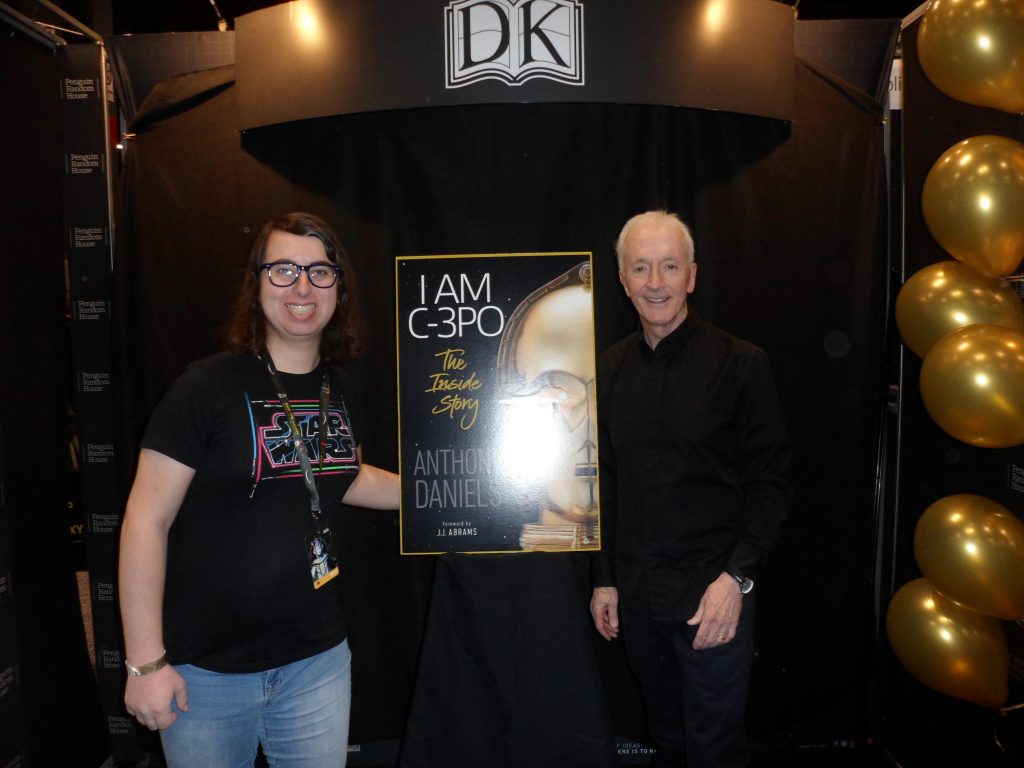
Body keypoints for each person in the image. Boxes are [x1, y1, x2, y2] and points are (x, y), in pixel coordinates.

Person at [119, 212, 400, 767]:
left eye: (320, 271)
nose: (302, 287)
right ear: (257, 283)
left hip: (316, 662)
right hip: (207, 673)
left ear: (339, 288)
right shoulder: (205, 387)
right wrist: (145, 663)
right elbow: (145, 520)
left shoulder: (340, 388)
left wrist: (448, 487)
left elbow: (342, 478)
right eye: (284, 269)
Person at [590, 211, 791, 768]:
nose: (656, 282)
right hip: (637, 593)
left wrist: (738, 579)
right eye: (641, 268)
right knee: (667, 737)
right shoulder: (605, 371)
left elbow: (771, 484)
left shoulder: (742, 365)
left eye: (670, 266)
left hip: (714, 594)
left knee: (713, 749)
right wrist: (604, 580)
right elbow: (601, 481)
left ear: (693, 276)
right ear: (623, 280)